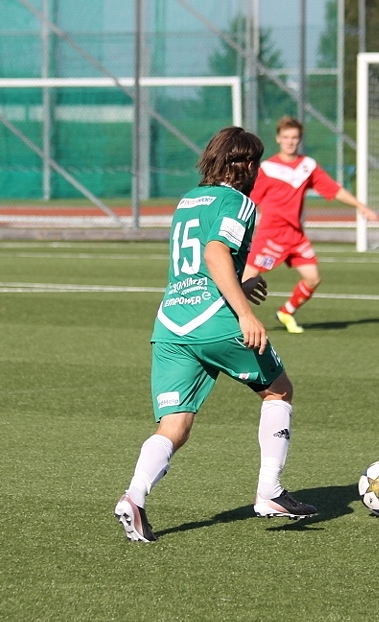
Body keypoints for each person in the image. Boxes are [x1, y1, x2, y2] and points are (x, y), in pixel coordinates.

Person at [114, 126, 317, 544]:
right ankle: (269, 492)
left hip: (171, 323)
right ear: (244, 165)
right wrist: (245, 313)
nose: (258, 171)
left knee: (174, 425)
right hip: (214, 320)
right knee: (278, 391)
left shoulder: (188, 200)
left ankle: (134, 497)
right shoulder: (239, 202)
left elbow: (196, 265)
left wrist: (239, 286)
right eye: (255, 162)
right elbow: (214, 252)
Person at [242, 116, 378, 334]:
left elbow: (333, 189)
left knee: (313, 279)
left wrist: (360, 206)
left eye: (294, 137)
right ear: (278, 138)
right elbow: (249, 200)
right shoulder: (267, 169)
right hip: (270, 235)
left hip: (296, 236)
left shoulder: (307, 166)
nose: (290, 141)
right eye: (286, 137)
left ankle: (286, 312)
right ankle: (228, 321)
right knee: (244, 280)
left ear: (300, 139)